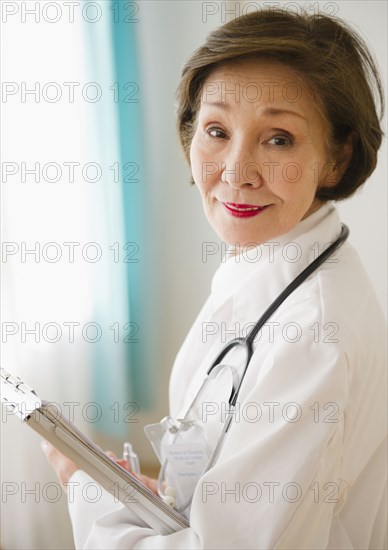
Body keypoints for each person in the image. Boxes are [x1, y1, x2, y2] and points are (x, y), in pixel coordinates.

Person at [42, 8, 387, 549]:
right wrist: (153, 496)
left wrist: (86, 488)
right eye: (217, 130)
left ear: (337, 158)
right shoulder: (265, 262)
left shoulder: (312, 337)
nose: (235, 171)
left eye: (278, 139)